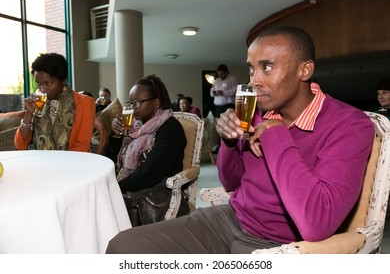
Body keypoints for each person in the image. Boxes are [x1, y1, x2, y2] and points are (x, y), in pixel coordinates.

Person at [106, 26, 374, 254]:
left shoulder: (348, 124)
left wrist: (275, 133)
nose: (255, 81)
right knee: (123, 246)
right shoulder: (254, 113)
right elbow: (230, 182)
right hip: (228, 220)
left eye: (267, 67)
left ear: (304, 71)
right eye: (251, 70)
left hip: (282, 245)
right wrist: (229, 142)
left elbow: (317, 223)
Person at [106, 74, 188, 222]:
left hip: (156, 190)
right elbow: (109, 159)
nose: (132, 108)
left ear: (156, 102)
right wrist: (115, 136)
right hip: (132, 183)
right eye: (130, 102)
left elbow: (151, 172)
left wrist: (116, 187)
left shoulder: (170, 129)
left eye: (137, 102)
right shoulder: (133, 127)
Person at [14, 53, 95, 151]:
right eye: (39, 83)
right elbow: (20, 145)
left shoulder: (85, 103)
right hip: (38, 161)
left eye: (48, 83)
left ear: (63, 80)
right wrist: (29, 114)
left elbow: (82, 146)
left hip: (71, 163)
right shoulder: (39, 103)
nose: (42, 89)